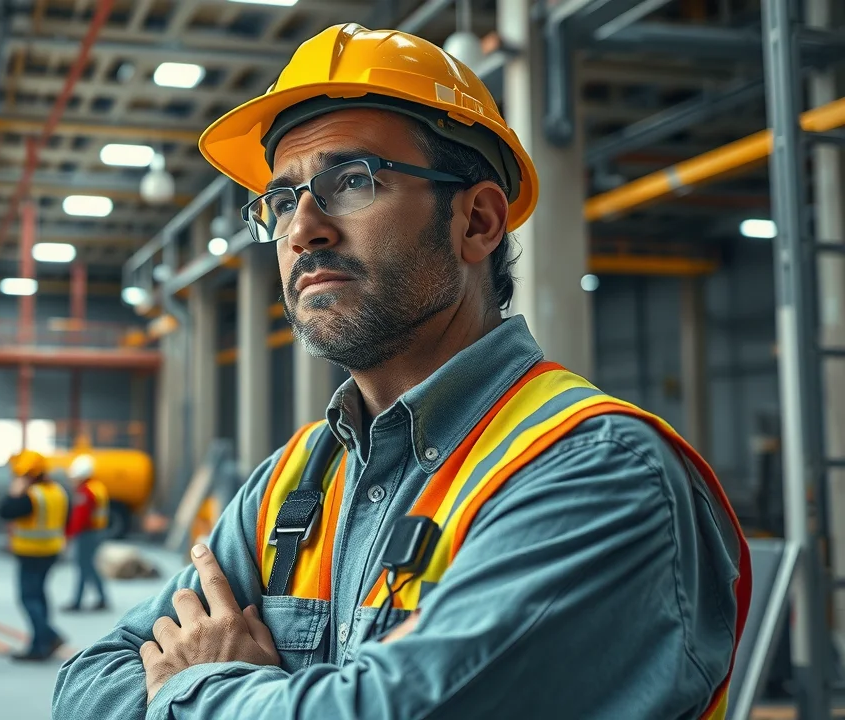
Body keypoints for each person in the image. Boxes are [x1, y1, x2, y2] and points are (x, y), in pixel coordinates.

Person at [54, 23, 750, 719]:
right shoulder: (290, 484)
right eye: (279, 201)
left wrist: (194, 688)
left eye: (353, 181)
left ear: (476, 221)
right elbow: (89, 681)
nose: (301, 230)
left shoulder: (596, 471)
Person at [0, 449, 69, 661]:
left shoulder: (30, 496)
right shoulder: (57, 491)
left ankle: (44, 641)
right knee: (39, 595)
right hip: (51, 551)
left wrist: (14, 493)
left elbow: (5, 511)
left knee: (28, 598)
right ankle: (43, 641)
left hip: (30, 553)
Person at [63, 454, 109, 612]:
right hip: (97, 532)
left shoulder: (85, 492)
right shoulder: (97, 487)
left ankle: (77, 602)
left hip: (87, 534)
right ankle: (101, 598)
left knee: (83, 567)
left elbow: (79, 518)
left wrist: (68, 535)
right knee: (88, 566)